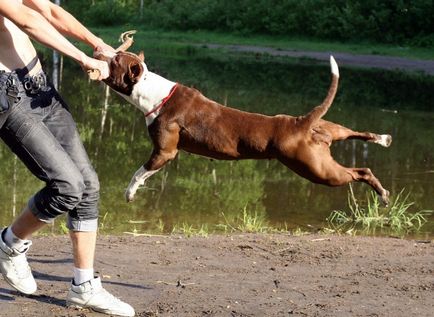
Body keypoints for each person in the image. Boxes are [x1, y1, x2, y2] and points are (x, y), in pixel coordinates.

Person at [0, 1, 135, 316]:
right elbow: (27, 20)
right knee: (67, 185)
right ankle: (9, 244)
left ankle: (84, 287)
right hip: (9, 97)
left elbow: (48, 11)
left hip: (40, 87)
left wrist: (98, 45)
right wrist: (82, 58)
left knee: (88, 186)